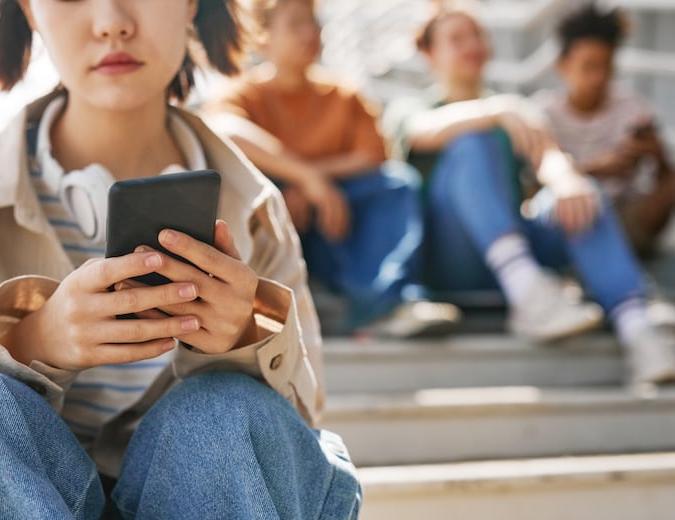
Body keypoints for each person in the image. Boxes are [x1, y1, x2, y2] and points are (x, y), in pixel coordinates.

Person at [0, 0, 361, 520]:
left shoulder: (255, 209)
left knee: (229, 412)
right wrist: (30, 342)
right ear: (30, 12)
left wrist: (246, 336)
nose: (112, 20)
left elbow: (295, 438)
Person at [383, 6, 675, 384]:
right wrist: (497, 110)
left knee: (582, 194)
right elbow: (423, 130)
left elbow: (549, 157)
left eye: (477, 35)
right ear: (428, 54)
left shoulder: (516, 111)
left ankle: (639, 333)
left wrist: (567, 180)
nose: (472, 45)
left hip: (518, 253)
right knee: (472, 143)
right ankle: (529, 291)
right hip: (452, 258)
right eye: (457, 38)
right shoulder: (414, 107)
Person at [205, 0, 460, 337]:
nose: (310, 33)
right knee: (243, 191)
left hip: (339, 227)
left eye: (314, 23)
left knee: (396, 184)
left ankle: (388, 303)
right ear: (263, 39)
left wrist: (315, 183)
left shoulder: (344, 94)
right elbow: (224, 130)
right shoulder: (243, 93)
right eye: (295, 25)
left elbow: (373, 156)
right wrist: (304, 178)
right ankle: (261, 309)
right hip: (277, 226)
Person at [535, 3, 675, 258]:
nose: (598, 77)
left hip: (625, 217)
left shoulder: (633, 108)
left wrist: (656, 154)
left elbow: (664, 179)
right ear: (562, 65)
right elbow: (533, 188)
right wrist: (597, 168)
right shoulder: (542, 113)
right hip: (568, 217)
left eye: (606, 66)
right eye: (588, 67)